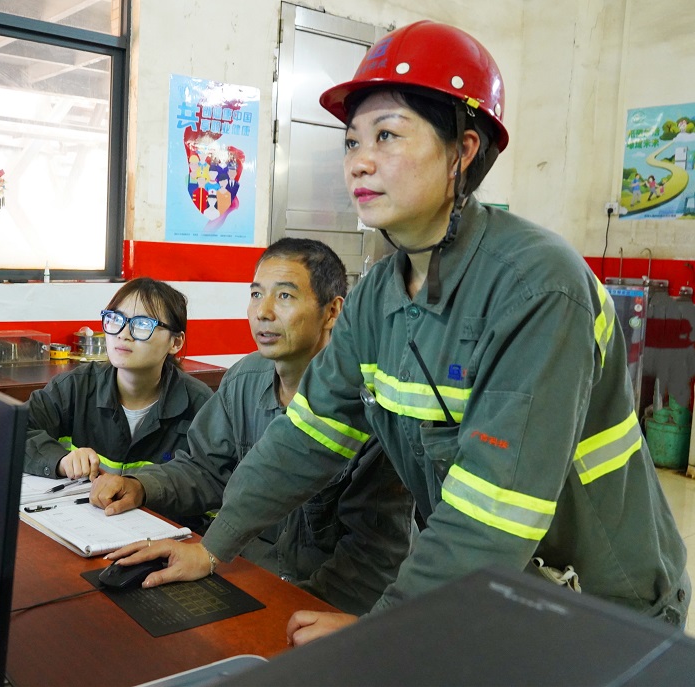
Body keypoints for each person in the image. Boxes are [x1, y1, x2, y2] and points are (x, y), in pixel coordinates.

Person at [105, 20, 689, 646]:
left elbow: (494, 507)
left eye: (387, 135)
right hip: (488, 591)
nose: (359, 161)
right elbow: (305, 438)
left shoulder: (538, 287)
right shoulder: (379, 295)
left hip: (598, 604)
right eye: (352, 141)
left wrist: (385, 627)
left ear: (463, 151)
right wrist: (214, 546)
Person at [91, 238, 415, 614]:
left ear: (332, 311)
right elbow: (205, 470)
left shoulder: (370, 406)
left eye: (285, 296)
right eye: (256, 294)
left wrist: (289, 612)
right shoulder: (243, 379)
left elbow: (372, 556)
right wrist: (141, 486)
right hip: (243, 576)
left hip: (325, 602)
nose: (263, 312)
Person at [23, 277, 212, 480]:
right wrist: (60, 460)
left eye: (142, 324)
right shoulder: (74, 388)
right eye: (115, 319)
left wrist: (145, 488)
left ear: (175, 342)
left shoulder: (200, 405)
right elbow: (14, 432)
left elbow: (212, 478)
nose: (123, 334)